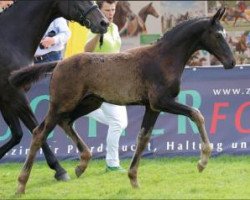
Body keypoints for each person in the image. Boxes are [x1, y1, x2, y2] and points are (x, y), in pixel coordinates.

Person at [84, 0, 128, 172]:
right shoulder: (93, 26)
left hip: (115, 79)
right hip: (100, 80)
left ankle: (85, 110)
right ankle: (112, 163)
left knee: (120, 123)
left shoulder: (115, 27)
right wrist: (97, 33)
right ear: (100, 10)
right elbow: (86, 50)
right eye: (107, 10)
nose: (110, 13)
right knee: (118, 122)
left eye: (113, 9)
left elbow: (115, 51)